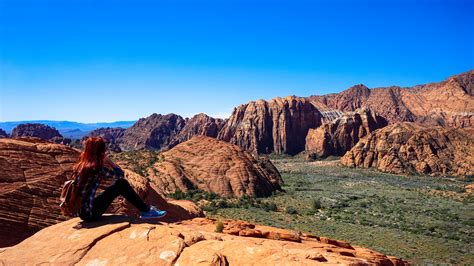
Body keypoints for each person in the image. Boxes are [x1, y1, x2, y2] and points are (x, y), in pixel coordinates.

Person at [73, 137, 166, 222]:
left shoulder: (81, 165)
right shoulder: (95, 168)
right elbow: (120, 175)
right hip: (90, 214)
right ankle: (145, 210)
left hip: (82, 212)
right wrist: (108, 161)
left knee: (118, 185)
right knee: (121, 184)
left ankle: (145, 210)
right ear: (100, 151)